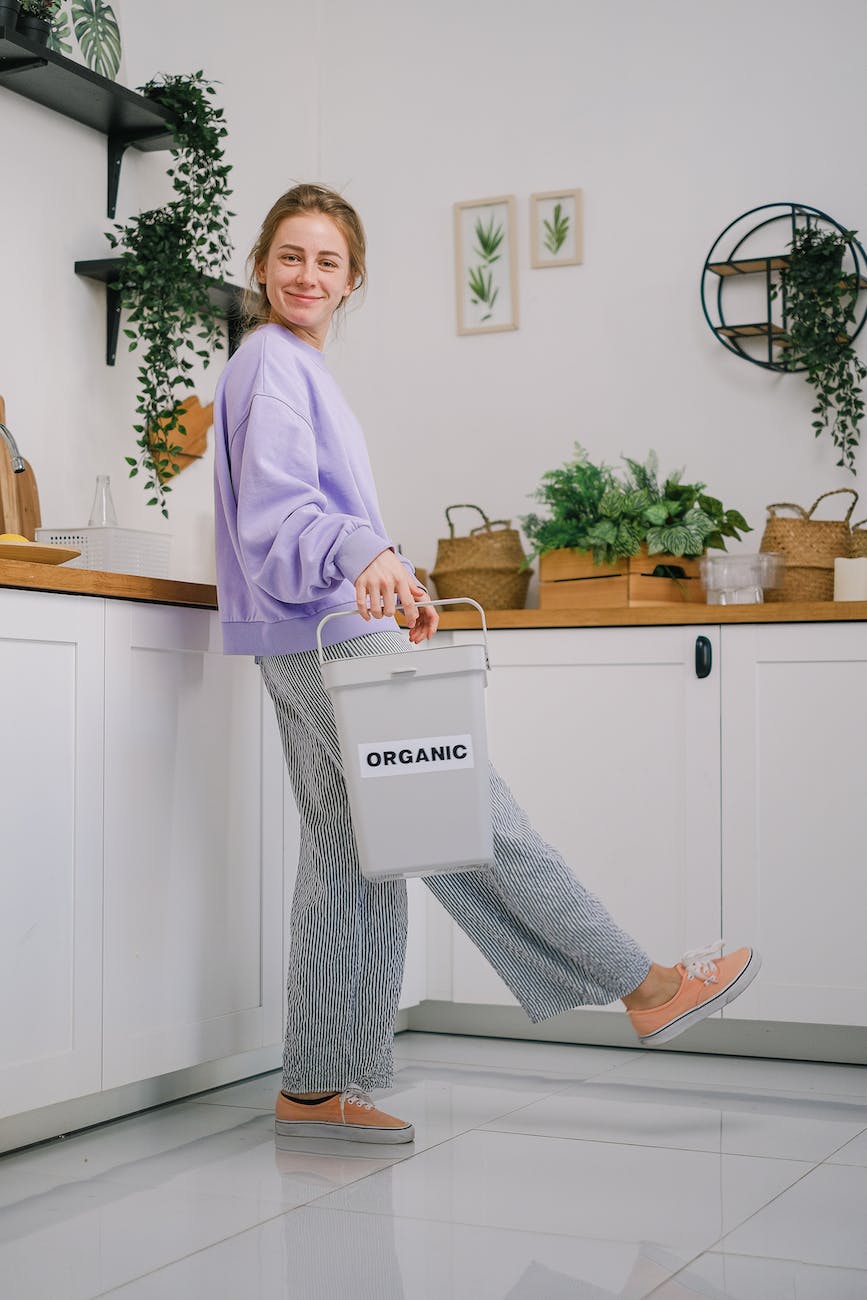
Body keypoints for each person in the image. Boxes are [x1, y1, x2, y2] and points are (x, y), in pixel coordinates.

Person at [213, 183, 761, 1146]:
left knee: (355, 861)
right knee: (472, 818)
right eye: (290, 256)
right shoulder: (270, 363)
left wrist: (391, 576)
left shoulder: (289, 367)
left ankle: (314, 1084)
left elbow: (302, 518)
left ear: (353, 282)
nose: (307, 275)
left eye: (327, 261)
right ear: (261, 266)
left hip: (302, 636)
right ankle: (648, 987)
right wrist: (360, 557)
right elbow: (279, 509)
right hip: (329, 635)